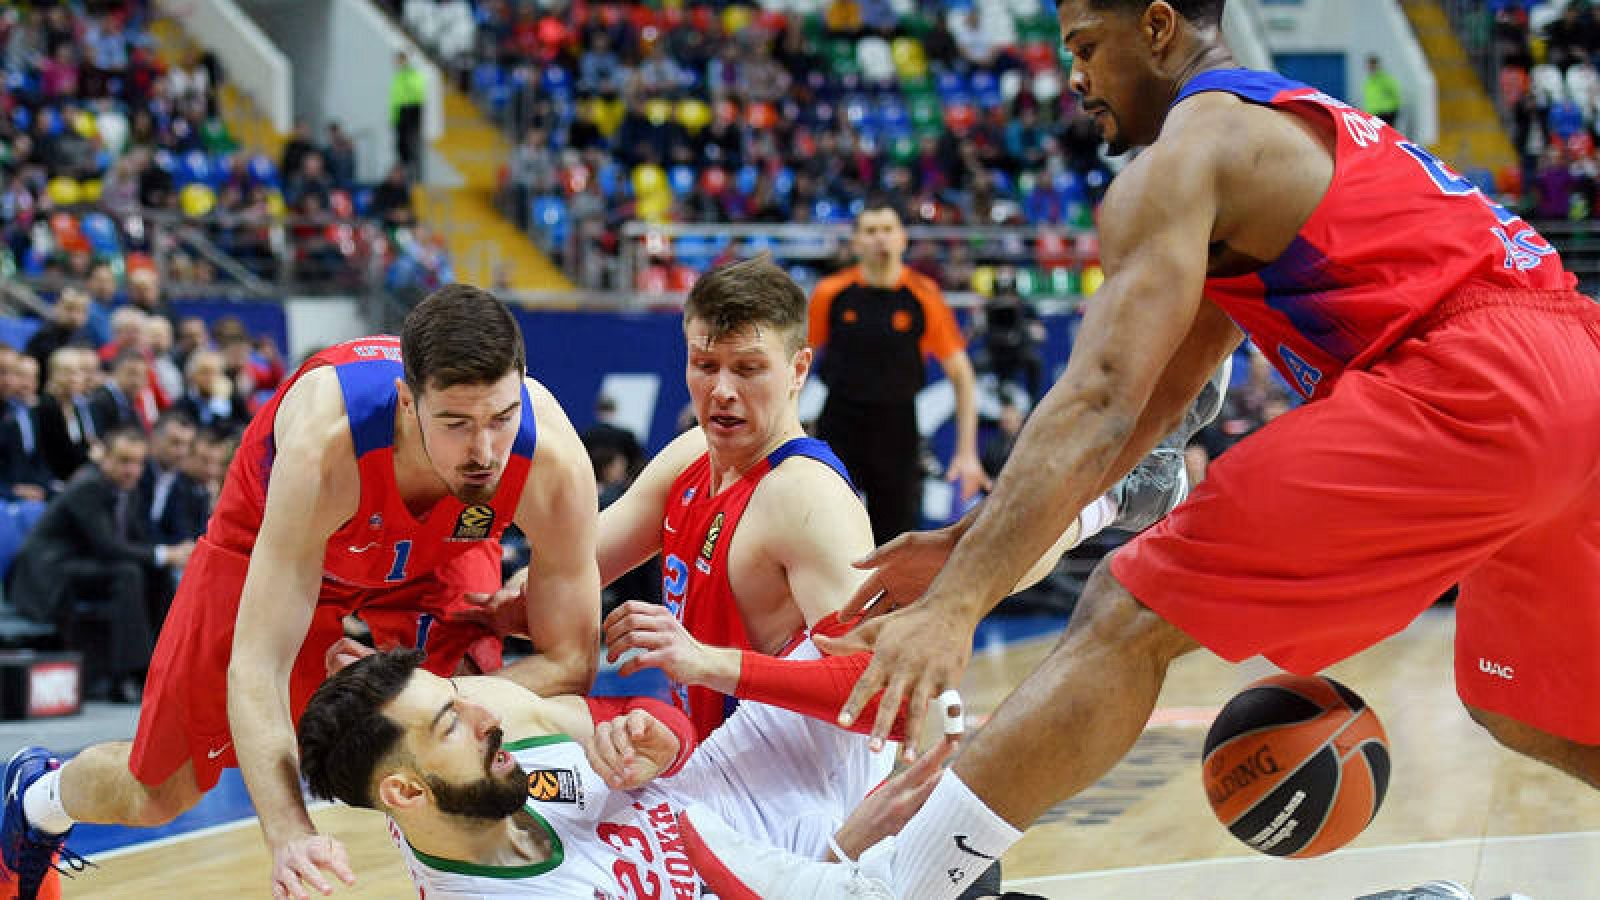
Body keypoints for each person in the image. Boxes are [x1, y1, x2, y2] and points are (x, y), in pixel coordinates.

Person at [680, 3, 1600, 899]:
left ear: (1158, 28)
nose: (1073, 75)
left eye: (1086, 44)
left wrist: (956, 607)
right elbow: (1159, 399)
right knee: (1523, 700)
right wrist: (970, 548)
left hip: (1475, 377)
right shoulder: (1271, 136)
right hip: (1575, 374)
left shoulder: (1184, 158)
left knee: (1127, 607)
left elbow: (1100, 400)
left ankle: (892, 887)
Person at [1, 285, 604, 900]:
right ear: (406, 400)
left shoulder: (551, 461)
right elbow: (258, 666)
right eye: (455, 423)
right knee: (160, 795)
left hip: (440, 551)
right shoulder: (328, 445)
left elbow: (571, 666)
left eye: (502, 418)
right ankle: (38, 794)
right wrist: (288, 830)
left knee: (466, 743)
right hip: (276, 543)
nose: (483, 451)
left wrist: (433, 698)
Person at [295, 643, 926, 899]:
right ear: (403, 792)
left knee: (876, 626)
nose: (485, 714)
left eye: (458, 696)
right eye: (450, 722)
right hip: (799, 875)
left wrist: (662, 740)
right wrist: (840, 858)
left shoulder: (471, 763)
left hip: (727, 782)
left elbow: (630, 710)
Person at [809, 200, 989, 545]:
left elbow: (962, 375)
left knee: (893, 543)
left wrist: (967, 453)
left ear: (903, 238)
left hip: (898, 427)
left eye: (888, 230)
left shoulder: (923, 295)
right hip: (839, 423)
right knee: (826, 536)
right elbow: (797, 364)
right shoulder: (831, 294)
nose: (880, 239)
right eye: (871, 231)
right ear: (857, 241)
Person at [6, 428, 193, 703]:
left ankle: (165, 665)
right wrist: (166, 553)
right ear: (104, 458)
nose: (132, 470)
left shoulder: (126, 490)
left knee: (157, 572)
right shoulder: (88, 486)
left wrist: (174, 553)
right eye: (124, 461)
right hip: (50, 573)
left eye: (138, 463)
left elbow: (139, 541)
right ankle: (129, 675)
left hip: (87, 565)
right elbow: (108, 546)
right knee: (129, 572)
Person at [390, 51, 426, 179]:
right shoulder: (399, 76)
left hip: (409, 112)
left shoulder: (412, 74)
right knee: (401, 148)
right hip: (400, 115)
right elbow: (395, 98)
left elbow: (417, 93)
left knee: (411, 147)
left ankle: (415, 177)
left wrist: (407, 109)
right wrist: (394, 118)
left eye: (400, 60)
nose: (397, 63)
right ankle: (404, 176)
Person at [1361, 54, 1403, 128]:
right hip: (1373, 114)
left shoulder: (1385, 79)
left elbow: (1395, 93)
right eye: (1369, 66)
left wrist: (1390, 109)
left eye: (1373, 65)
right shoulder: (1369, 81)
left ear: (1377, 66)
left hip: (1386, 113)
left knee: (1387, 135)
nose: (1371, 68)